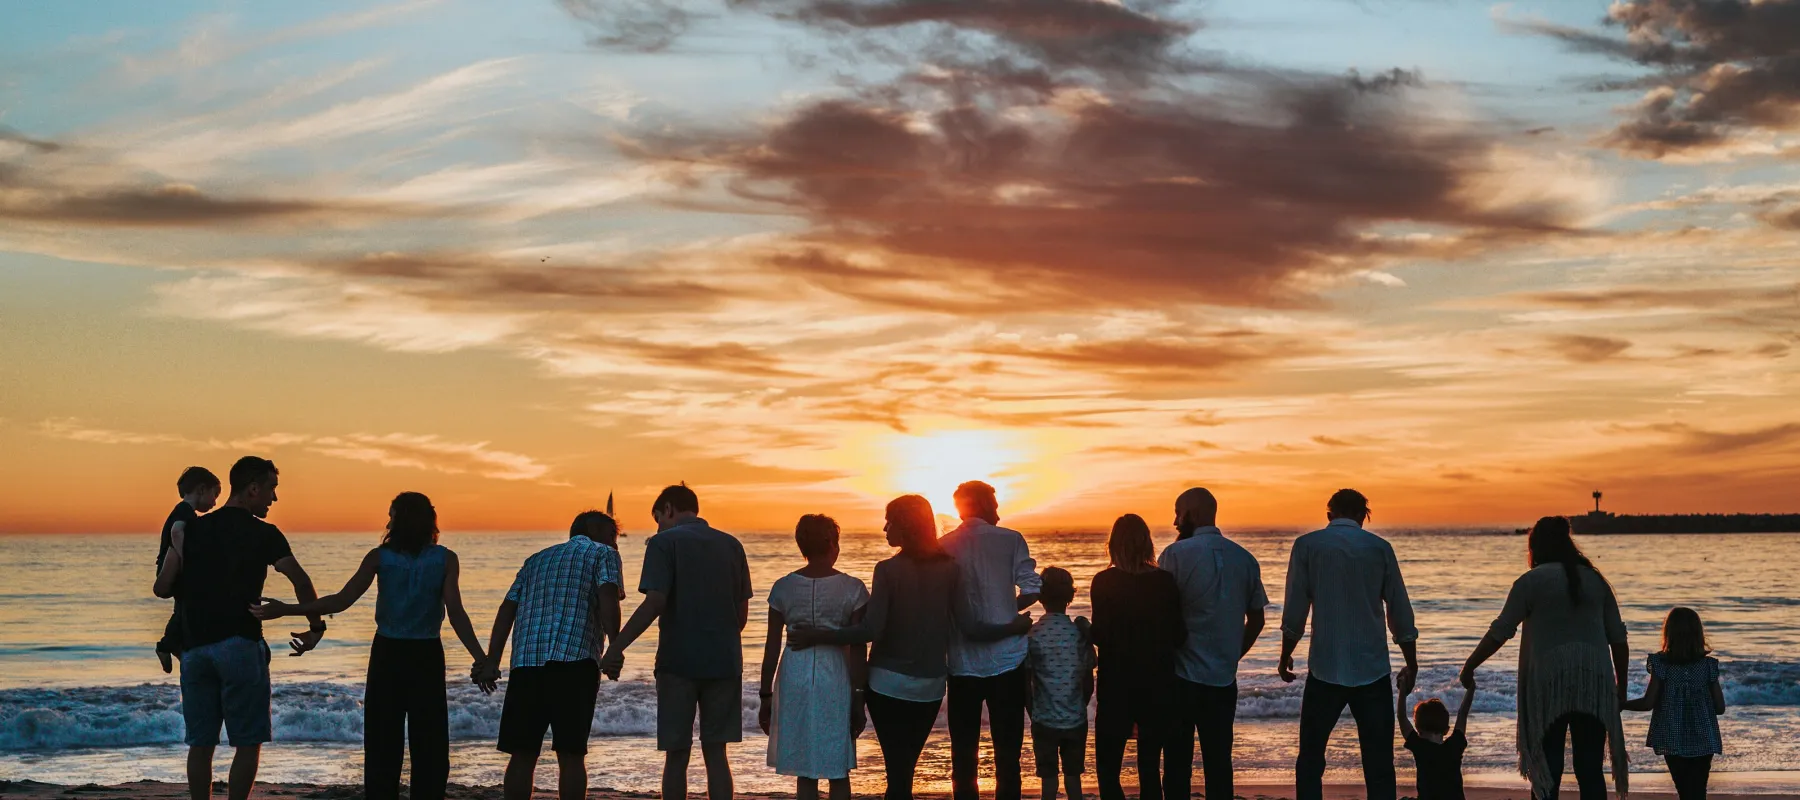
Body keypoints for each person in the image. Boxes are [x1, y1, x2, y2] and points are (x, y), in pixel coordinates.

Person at [250, 492, 490, 800]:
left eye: (391, 515)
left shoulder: (380, 557)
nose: (387, 521)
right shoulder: (445, 559)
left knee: (382, 741)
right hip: (426, 655)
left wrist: (287, 609)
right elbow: (455, 613)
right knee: (430, 740)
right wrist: (481, 658)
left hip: (388, 654)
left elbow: (341, 600)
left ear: (400, 520)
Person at [788, 494, 1029, 800]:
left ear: (905, 526)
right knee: (906, 769)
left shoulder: (887, 570)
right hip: (928, 688)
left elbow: (870, 630)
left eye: (890, 521)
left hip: (887, 685)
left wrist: (817, 635)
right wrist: (1014, 626)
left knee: (899, 776)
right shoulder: (950, 569)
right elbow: (971, 628)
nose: (884, 529)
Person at [152, 456, 326, 800]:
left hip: (195, 650)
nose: (274, 499)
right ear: (253, 488)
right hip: (239, 646)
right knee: (247, 742)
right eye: (272, 490)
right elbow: (300, 580)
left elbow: (165, 585)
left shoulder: (192, 529)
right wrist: (315, 625)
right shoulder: (264, 534)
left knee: (200, 743)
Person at [1459, 516, 1630, 800]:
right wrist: (1620, 687)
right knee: (1589, 769)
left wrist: (1470, 665)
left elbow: (1500, 631)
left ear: (1535, 546)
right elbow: (1618, 639)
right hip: (1594, 683)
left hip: (1547, 686)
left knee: (1547, 767)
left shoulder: (1530, 582)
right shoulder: (1595, 580)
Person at [600, 484, 753, 800]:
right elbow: (740, 617)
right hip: (724, 661)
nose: (658, 525)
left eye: (657, 518)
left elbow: (654, 603)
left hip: (678, 663)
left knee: (677, 754)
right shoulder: (732, 545)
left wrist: (616, 647)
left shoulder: (662, 543)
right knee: (716, 753)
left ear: (667, 509)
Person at [1279, 489, 1418, 800]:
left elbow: (1295, 608)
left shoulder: (1307, 546)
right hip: (1372, 670)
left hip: (1325, 668)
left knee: (1311, 758)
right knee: (1379, 761)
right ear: (1362, 516)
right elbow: (1399, 609)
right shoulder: (1380, 548)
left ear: (1329, 515)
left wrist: (1286, 653)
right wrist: (1411, 660)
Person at [478, 511, 624, 800]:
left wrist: (492, 660)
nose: (615, 544)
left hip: (526, 665)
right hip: (575, 662)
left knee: (522, 754)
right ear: (593, 529)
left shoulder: (536, 560)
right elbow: (607, 595)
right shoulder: (603, 553)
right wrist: (615, 647)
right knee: (571, 754)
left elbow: (507, 609)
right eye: (612, 536)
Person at [1157, 487, 1266, 800]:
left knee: (1177, 764)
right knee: (1219, 764)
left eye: (1179, 513)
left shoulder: (1174, 555)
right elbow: (1256, 621)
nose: (1176, 521)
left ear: (1194, 513)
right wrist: (1233, 654)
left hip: (1181, 678)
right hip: (1222, 679)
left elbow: (1161, 614)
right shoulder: (1245, 559)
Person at [941, 480, 1043, 800]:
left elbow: (941, 601)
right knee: (1008, 754)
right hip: (1007, 661)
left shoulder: (943, 545)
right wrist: (1005, 611)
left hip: (961, 663)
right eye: (995, 504)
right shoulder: (1011, 540)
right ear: (983, 505)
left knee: (963, 755)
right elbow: (1033, 589)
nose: (998, 511)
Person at [758, 514, 869, 800]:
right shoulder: (853, 588)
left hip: (795, 672)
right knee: (837, 767)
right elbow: (858, 646)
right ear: (832, 543)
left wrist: (765, 696)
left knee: (804, 767)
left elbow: (771, 647)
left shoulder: (782, 587)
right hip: (836, 674)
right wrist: (859, 696)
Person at [1090, 514, 1185, 800]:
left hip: (1115, 683)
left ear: (1114, 545)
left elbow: (1100, 636)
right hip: (1158, 683)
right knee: (1149, 767)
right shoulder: (1165, 581)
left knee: (1108, 768)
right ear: (1147, 544)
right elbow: (1179, 636)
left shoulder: (1104, 581)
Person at [1623, 607, 1724, 800]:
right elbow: (1720, 708)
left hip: (1672, 736)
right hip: (1704, 737)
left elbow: (1647, 703)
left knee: (1684, 790)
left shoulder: (1661, 665)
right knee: (1698, 790)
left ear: (1668, 633)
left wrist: (1621, 704)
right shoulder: (1708, 666)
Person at [1026, 567, 1093, 800]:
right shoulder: (1078, 634)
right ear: (1071, 596)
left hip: (1044, 719)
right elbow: (1088, 678)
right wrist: (1080, 705)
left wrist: (1032, 710)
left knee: (1048, 779)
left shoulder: (1033, 634)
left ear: (1040, 597)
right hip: (1075, 718)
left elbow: (1027, 680)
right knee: (1074, 777)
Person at [156, 466, 222, 674]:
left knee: (182, 607)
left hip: (173, 567)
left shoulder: (183, 510)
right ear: (202, 490)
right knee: (184, 607)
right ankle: (167, 645)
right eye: (214, 495)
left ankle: (171, 645)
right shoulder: (185, 510)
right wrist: (188, 559)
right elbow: (177, 532)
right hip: (173, 568)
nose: (215, 502)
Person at [1397, 671, 1474, 800]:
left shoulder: (1420, 747)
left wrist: (1403, 689)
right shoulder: (1454, 746)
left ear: (1418, 727)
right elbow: (1463, 714)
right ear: (1446, 730)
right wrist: (1471, 688)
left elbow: (1401, 717)